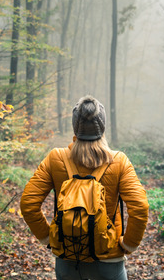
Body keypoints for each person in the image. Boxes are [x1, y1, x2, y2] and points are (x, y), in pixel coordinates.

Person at [20, 95, 149, 280]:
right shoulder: (119, 161)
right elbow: (140, 206)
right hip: (108, 257)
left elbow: (28, 203)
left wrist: (48, 238)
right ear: (102, 127)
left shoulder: (55, 158)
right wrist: (129, 244)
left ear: (75, 126)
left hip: (67, 254)